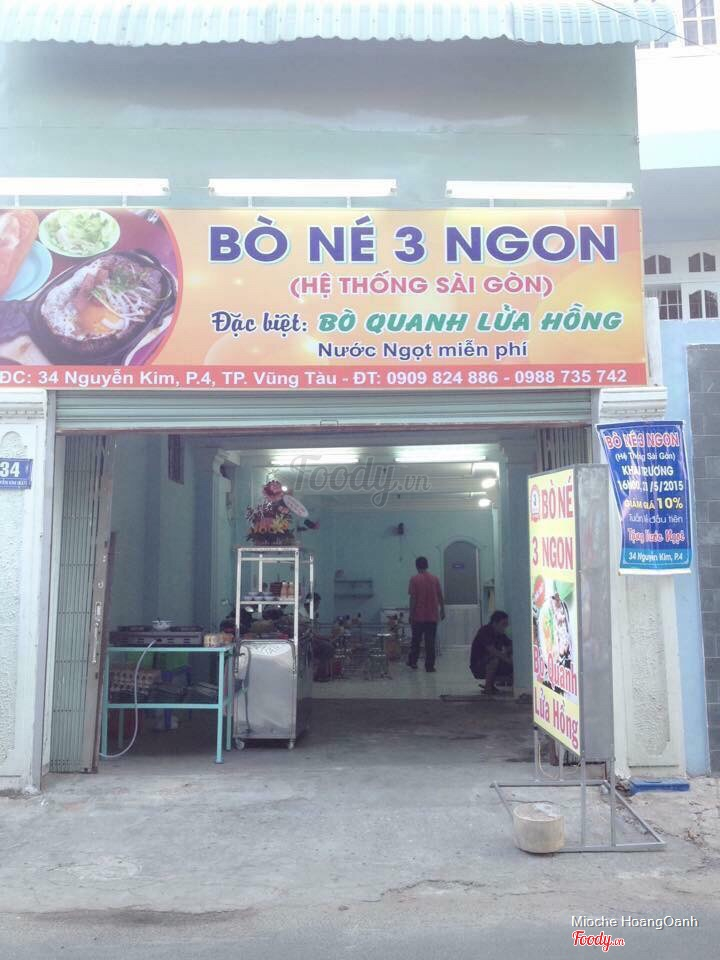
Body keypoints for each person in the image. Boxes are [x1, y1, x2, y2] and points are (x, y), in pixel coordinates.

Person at [408, 556, 445, 672]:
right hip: (432, 616)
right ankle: (429, 666)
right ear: (427, 565)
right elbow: (440, 596)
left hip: (418, 616)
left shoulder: (414, 580)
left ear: (416, 566)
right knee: (430, 642)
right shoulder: (435, 579)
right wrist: (443, 609)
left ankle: (413, 662)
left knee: (416, 641)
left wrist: (411, 614)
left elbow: (413, 599)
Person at [470, 610, 512, 694]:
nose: (505, 627)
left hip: (491, 663)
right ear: (495, 623)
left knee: (506, 660)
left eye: (506, 625)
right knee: (494, 660)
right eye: (503, 624)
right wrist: (509, 660)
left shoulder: (500, 634)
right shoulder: (485, 631)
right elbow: (493, 651)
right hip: (478, 666)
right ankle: (488, 688)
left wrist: (509, 652)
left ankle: (494, 684)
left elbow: (511, 645)